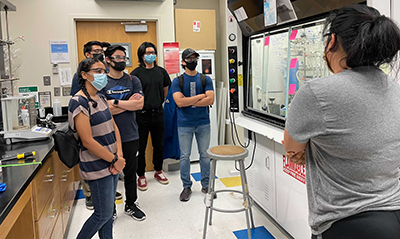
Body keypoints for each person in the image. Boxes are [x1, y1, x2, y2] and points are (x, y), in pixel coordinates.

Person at [283, 4, 400, 239]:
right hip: (394, 212)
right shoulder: (394, 89)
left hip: (347, 223)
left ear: (332, 40)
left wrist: (305, 151)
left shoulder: (317, 92)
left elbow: (292, 149)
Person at [69, 58, 125, 239]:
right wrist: (114, 160)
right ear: (84, 75)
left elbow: (113, 127)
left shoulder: (100, 97)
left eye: (104, 71)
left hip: (113, 163)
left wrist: (119, 156)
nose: (103, 75)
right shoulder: (78, 102)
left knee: (108, 215)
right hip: (96, 167)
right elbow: (87, 141)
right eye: (98, 71)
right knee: (102, 214)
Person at [100, 45, 146, 221]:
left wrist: (115, 103)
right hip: (107, 136)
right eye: (117, 57)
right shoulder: (102, 81)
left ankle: (131, 204)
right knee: (109, 173)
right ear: (108, 60)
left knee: (130, 172)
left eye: (123, 58)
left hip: (130, 134)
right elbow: (104, 110)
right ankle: (109, 207)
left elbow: (139, 105)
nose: (121, 61)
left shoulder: (133, 80)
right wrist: (126, 102)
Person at [171, 48, 215, 201]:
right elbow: (179, 102)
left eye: (195, 58)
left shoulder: (205, 79)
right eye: (189, 59)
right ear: (183, 62)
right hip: (184, 124)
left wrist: (188, 101)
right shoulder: (178, 81)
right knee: (184, 156)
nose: (193, 61)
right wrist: (201, 96)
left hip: (203, 123)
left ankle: (206, 185)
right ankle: (186, 186)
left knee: (204, 155)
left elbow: (210, 100)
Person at [130, 42, 171, 191]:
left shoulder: (161, 72)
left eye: (152, 52)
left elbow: (166, 89)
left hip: (158, 113)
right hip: (141, 116)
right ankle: (141, 175)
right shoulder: (135, 74)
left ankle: (158, 171)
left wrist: (160, 103)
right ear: (141, 55)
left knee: (158, 145)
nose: (150, 55)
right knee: (140, 146)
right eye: (147, 53)